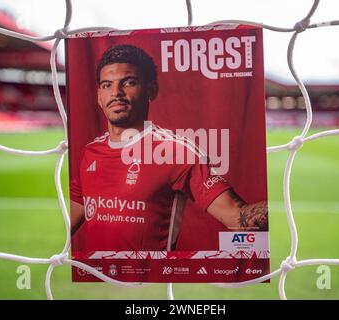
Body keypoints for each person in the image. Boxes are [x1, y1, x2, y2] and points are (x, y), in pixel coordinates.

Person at [70, 44, 267, 251]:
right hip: (96, 279)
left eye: (129, 82)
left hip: (149, 281)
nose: (116, 93)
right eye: (107, 85)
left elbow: (237, 216)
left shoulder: (175, 151)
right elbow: (68, 223)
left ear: (151, 90)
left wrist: (283, 209)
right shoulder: (90, 152)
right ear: (99, 97)